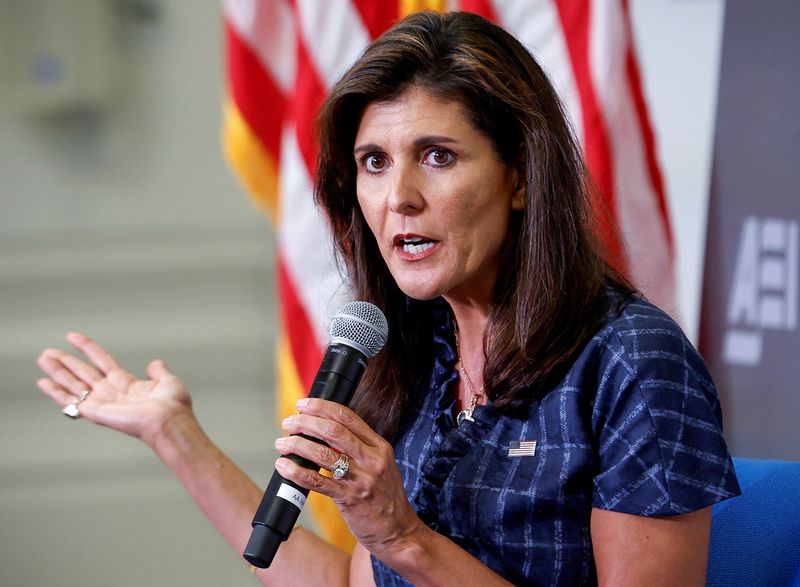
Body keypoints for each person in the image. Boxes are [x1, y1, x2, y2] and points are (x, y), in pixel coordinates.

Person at [36, 11, 740, 586]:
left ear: (520, 178)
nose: (398, 198)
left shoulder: (633, 362)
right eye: (374, 162)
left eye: (438, 156)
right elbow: (349, 584)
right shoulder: (410, 347)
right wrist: (176, 435)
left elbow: (401, 550)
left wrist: (402, 534)